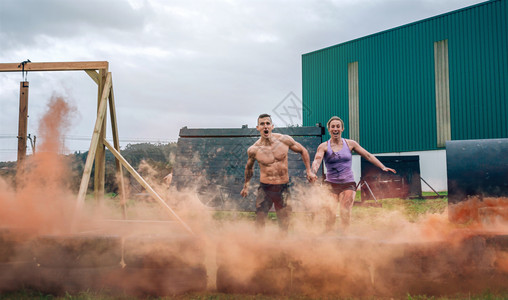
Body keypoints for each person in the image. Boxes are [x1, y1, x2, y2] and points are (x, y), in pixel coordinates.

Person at [311, 116, 396, 233]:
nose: (335, 129)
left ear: (342, 129)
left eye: (338, 126)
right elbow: (317, 160)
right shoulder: (324, 146)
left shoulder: (350, 144)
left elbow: (368, 155)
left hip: (348, 183)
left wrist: (382, 166)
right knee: (330, 214)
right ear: (329, 129)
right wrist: (313, 172)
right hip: (331, 183)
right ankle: (328, 238)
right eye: (333, 127)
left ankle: (345, 237)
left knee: (345, 210)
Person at [240, 113, 317, 233]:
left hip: (283, 187)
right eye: (262, 124)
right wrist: (246, 186)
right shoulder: (254, 149)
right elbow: (249, 168)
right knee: (260, 219)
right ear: (258, 128)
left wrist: (309, 171)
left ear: (272, 126)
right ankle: (258, 246)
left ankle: (282, 246)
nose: (265, 126)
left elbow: (303, 150)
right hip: (266, 188)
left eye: (267, 123)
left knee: (284, 220)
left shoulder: (284, 140)